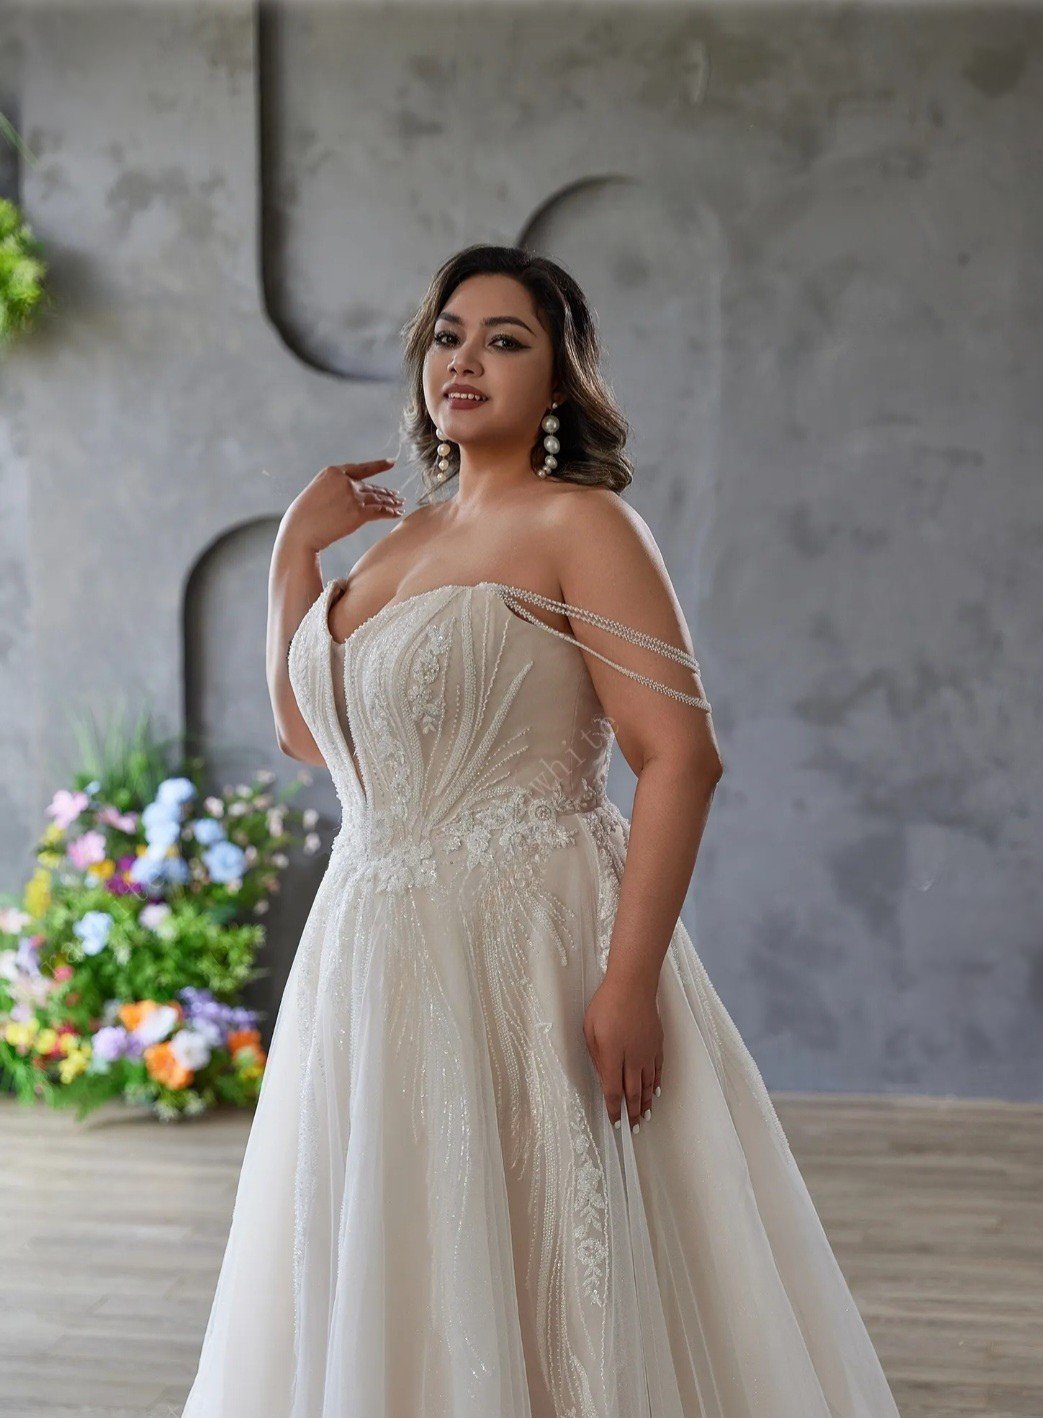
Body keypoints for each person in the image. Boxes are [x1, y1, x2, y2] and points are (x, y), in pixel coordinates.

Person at [181, 245, 901, 1416]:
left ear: (560, 381)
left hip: (526, 941)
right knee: (395, 1245)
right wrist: (291, 560)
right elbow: (316, 740)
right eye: (448, 334)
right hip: (369, 949)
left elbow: (679, 756)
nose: (465, 359)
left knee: (543, 1247)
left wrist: (627, 982)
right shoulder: (395, 543)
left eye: (506, 340)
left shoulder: (584, 525)